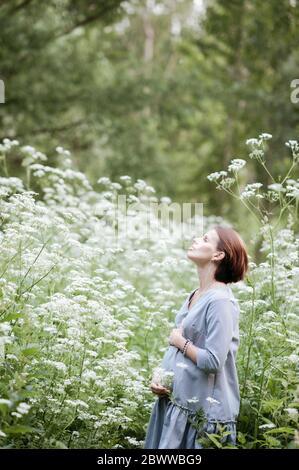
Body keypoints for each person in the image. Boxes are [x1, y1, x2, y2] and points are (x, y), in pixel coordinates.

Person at [143, 225, 249, 449]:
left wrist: (180, 342)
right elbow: (178, 348)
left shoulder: (220, 301)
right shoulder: (196, 294)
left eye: (205, 239)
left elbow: (212, 361)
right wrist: (160, 378)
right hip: (175, 406)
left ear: (218, 254)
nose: (196, 240)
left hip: (201, 419)